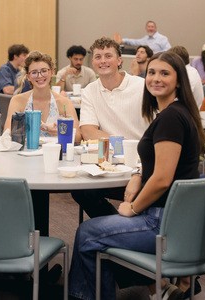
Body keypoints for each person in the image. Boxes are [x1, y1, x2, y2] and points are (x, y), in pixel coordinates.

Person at [68, 51, 205, 300]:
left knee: (87, 233)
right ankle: (155, 288)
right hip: (175, 217)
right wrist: (137, 176)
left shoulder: (171, 119)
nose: (156, 78)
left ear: (179, 80)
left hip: (160, 221)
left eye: (165, 73)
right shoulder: (177, 112)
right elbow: (159, 167)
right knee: (97, 232)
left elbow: (163, 179)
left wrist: (132, 207)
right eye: (151, 72)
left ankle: (86, 296)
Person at [71, 37, 147, 218]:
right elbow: (88, 131)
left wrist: (130, 150)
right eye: (98, 57)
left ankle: (118, 229)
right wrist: (123, 147)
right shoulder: (90, 90)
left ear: (119, 60)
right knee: (81, 190)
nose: (103, 61)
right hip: (109, 164)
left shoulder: (141, 86)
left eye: (108, 56)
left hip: (142, 165)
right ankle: (114, 225)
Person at [4, 51, 79, 139]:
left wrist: (60, 132)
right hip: (24, 151)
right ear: (28, 76)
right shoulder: (17, 100)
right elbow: (7, 133)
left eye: (44, 71)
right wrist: (43, 127)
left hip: (55, 151)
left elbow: (77, 136)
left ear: (52, 72)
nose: (39, 76)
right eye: (34, 72)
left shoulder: (64, 102)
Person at [0, 44, 31, 115]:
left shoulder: (19, 71)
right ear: (15, 56)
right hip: (5, 109)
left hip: (18, 105)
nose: (26, 58)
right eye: (24, 55)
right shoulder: (4, 69)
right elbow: (7, 90)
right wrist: (26, 91)